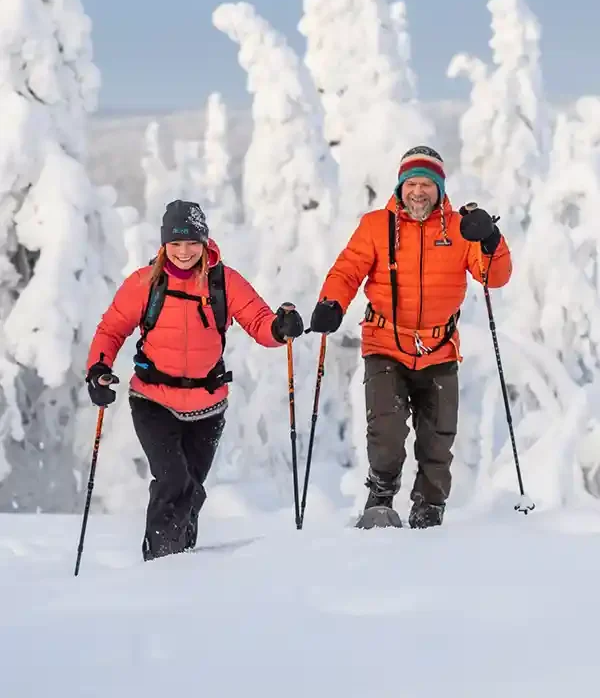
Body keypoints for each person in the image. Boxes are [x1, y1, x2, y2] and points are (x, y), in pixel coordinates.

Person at [85, 199, 304, 560]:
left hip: (208, 406)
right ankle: (160, 563)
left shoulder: (223, 282)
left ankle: (182, 564)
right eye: (175, 244)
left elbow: (259, 321)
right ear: (163, 245)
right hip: (153, 401)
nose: (183, 252)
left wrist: (280, 328)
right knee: (173, 481)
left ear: (204, 242)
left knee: (191, 489)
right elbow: (111, 330)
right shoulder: (144, 283)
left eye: (191, 243)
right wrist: (97, 370)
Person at [309, 146, 513, 529]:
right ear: (401, 187)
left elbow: (494, 277)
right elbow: (347, 271)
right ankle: (380, 500)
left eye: (427, 184)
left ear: (439, 189)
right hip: (385, 343)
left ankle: (429, 511)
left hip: (440, 348)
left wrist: (490, 240)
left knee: (438, 441)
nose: (419, 192)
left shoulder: (459, 228)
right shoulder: (375, 226)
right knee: (385, 429)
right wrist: (332, 303)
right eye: (412, 183)